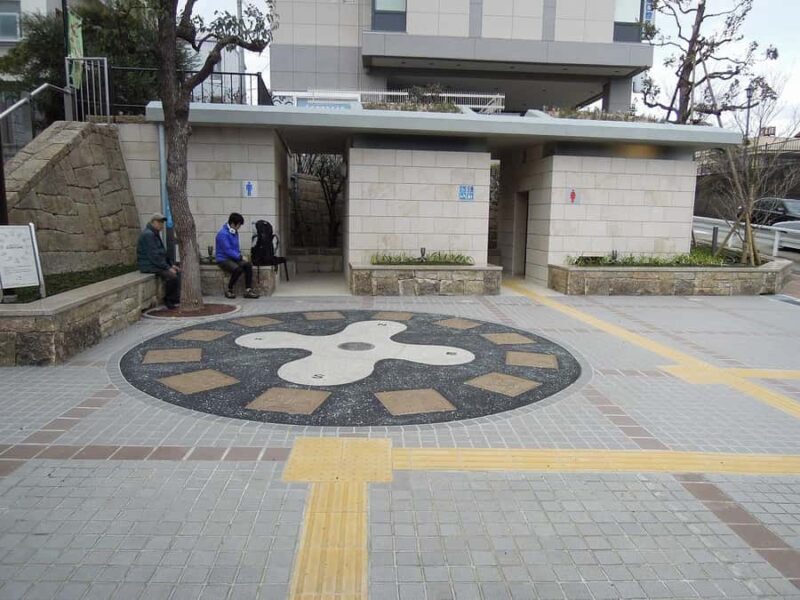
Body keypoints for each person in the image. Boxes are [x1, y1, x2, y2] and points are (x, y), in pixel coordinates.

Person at [137, 213, 181, 309]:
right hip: (149, 265)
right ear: (153, 222)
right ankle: (169, 300)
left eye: (162, 222)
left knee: (178, 272)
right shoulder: (148, 235)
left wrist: (171, 265)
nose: (162, 225)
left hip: (154, 263)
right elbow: (154, 256)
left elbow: (162, 253)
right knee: (172, 276)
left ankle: (176, 298)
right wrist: (167, 268)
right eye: (159, 222)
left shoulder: (154, 233)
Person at [215, 213, 260, 299]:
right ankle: (229, 289)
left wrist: (241, 256)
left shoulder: (234, 232)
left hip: (233, 257)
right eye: (239, 225)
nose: (239, 227)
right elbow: (227, 250)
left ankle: (248, 290)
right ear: (233, 223)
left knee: (248, 265)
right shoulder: (222, 234)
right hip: (223, 259)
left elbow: (235, 248)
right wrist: (240, 257)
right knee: (238, 269)